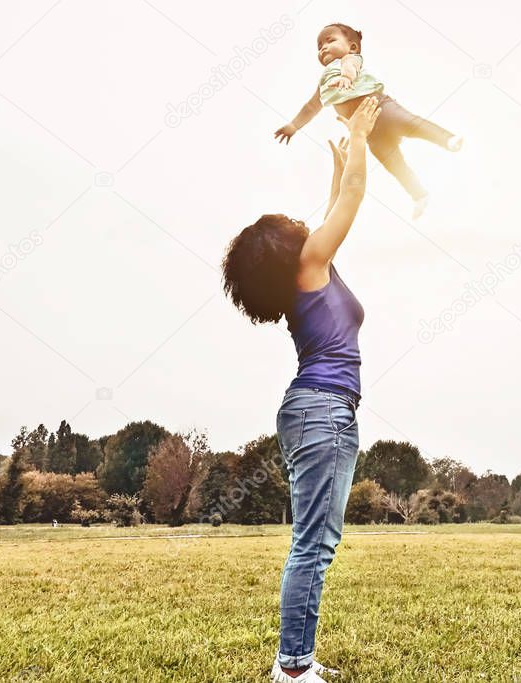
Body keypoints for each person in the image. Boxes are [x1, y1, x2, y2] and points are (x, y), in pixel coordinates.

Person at [223, 97, 382, 682]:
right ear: (290, 248)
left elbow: (337, 202)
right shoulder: (312, 261)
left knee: (313, 541)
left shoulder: (310, 266)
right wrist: (360, 135)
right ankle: (292, 670)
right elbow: (354, 201)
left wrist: (338, 161)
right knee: (314, 543)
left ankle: (297, 660)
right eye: (292, 227)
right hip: (323, 411)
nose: (301, 223)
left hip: (313, 410)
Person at [274, 22, 462, 220]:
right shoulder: (324, 81)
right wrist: (294, 125)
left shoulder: (350, 59)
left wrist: (346, 77)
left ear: (352, 47)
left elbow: (350, 67)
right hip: (369, 131)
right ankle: (419, 194)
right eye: (320, 46)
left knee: (412, 124)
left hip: (381, 108)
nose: (323, 48)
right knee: (392, 162)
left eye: (330, 41)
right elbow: (311, 107)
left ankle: (448, 139)